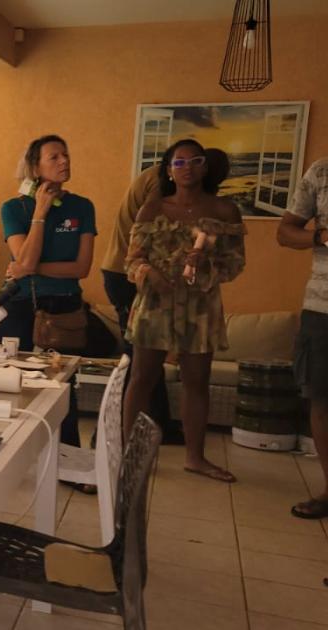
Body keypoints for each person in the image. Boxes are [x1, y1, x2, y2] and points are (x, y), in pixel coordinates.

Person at [122, 139, 245, 483]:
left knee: (197, 381)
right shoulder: (152, 208)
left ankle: (195, 457)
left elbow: (236, 264)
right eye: (179, 162)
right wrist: (150, 275)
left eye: (195, 161)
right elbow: (130, 261)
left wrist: (207, 263)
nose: (187, 168)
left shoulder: (224, 210)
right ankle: (128, 453)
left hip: (200, 307)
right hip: (154, 304)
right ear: (168, 170)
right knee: (142, 378)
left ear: (205, 167)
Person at [102, 150, 230, 445]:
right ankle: (117, 438)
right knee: (140, 367)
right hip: (128, 274)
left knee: (154, 369)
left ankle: (160, 429)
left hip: (165, 283)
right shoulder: (160, 189)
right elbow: (144, 249)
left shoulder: (194, 194)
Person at [0, 135, 95, 458]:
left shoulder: (82, 207)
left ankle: (69, 458)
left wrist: (30, 267)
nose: (64, 161)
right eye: (54, 157)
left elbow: (81, 268)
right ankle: (14, 456)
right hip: (21, 307)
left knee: (63, 388)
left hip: (64, 309)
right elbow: (22, 263)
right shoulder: (14, 208)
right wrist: (39, 212)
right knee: (14, 384)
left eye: (65, 155)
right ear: (35, 166)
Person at [278, 157, 328, 518]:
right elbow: (285, 232)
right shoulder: (321, 171)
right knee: (322, 401)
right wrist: (321, 235)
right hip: (322, 308)